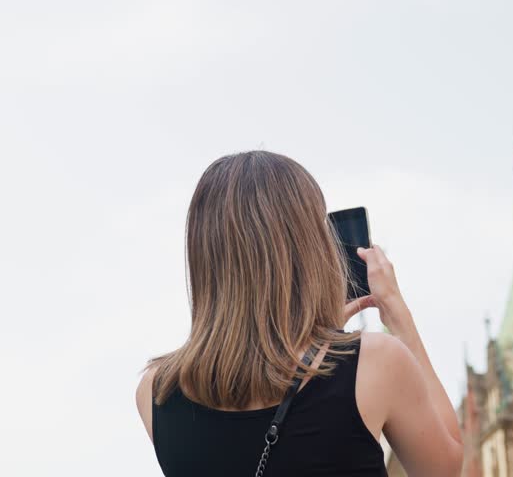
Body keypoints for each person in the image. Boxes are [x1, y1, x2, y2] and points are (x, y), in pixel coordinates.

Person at [135, 151, 463, 476]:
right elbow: (446, 469)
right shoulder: (377, 362)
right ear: (309, 247)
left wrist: (322, 338)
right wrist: (398, 316)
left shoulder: (155, 392)